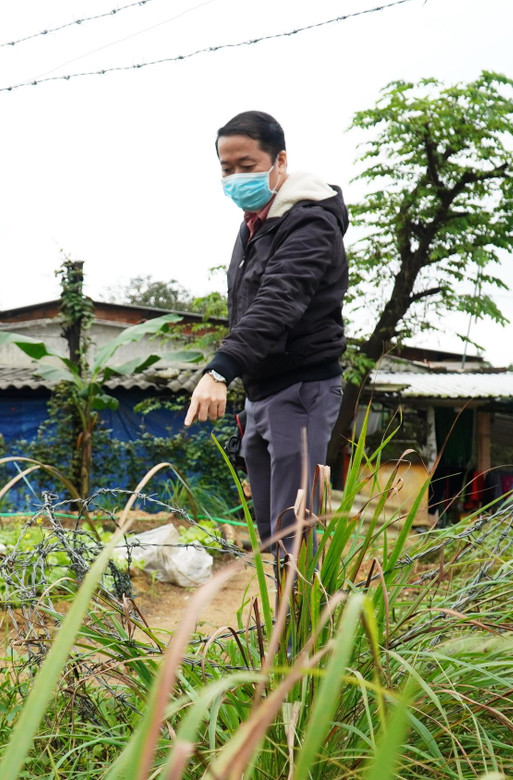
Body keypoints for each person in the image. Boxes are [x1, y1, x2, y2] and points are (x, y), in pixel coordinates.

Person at [184, 110, 350, 560]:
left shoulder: (309, 222)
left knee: (291, 531)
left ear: (280, 161)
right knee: (268, 531)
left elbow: (278, 302)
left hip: (299, 390)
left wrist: (220, 370)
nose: (236, 177)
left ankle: (302, 628)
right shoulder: (255, 223)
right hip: (260, 393)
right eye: (226, 168)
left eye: (247, 166)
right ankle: (281, 625)